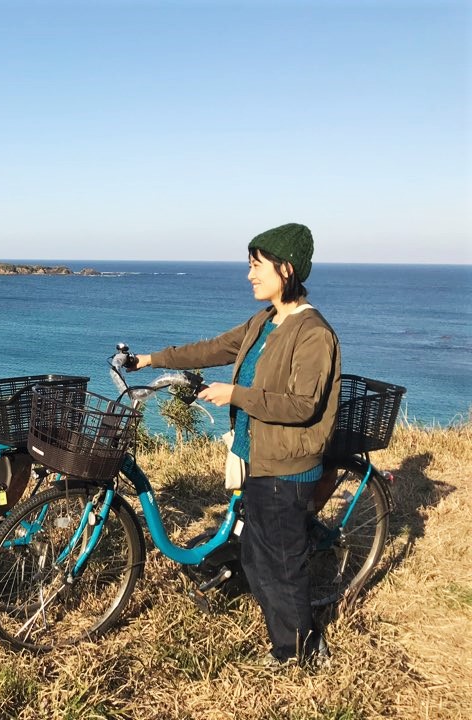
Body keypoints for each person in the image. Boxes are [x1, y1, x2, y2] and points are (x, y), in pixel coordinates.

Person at [130, 222, 341, 666]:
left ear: (286, 269)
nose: (249, 275)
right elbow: (213, 348)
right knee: (258, 556)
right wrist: (149, 359)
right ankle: (286, 637)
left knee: (283, 563)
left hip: (287, 464)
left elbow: (302, 405)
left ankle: (300, 651)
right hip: (256, 455)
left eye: (256, 266)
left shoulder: (313, 333)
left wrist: (234, 394)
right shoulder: (265, 321)